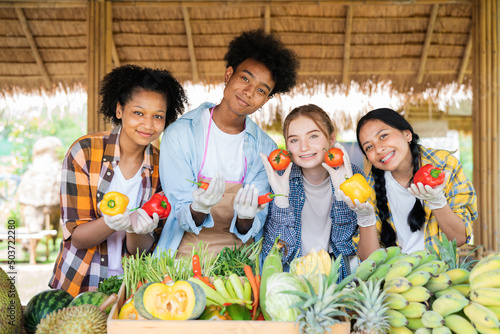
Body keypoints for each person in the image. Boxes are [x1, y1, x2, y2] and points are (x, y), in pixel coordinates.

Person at [154, 29, 300, 256]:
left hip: (240, 263)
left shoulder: (266, 149)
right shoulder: (179, 134)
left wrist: (246, 217)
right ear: (228, 75)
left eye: (261, 90)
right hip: (182, 257)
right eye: (245, 78)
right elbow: (179, 212)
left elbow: (254, 225)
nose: (249, 92)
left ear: (266, 100)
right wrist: (199, 207)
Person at [49, 64, 187, 296]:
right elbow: (77, 238)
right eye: (138, 113)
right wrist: (110, 223)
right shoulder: (84, 152)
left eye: (158, 116)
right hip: (77, 286)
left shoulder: (163, 167)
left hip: (130, 290)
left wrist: (136, 229)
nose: (148, 124)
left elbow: (140, 250)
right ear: (120, 110)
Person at [346, 108, 477, 260]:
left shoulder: (444, 165)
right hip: (394, 277)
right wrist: (366, 219)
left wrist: (437, 202)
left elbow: (459, 238)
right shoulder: (368, 187)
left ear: (407, 134)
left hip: (440, 275)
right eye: (369, 147)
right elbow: (369, 260)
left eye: (383, 136)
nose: (379, 149)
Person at [260, 104, 363, 280]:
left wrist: (341, 198)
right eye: (294, 140)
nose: (304, 147)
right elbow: (276, 255)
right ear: (287, 146)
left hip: (339, 278)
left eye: (313, 136)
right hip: (292, 278)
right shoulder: (278, 179)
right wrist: (281, 203)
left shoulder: (351, 174)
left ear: (331, 139)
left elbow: (347, 248)